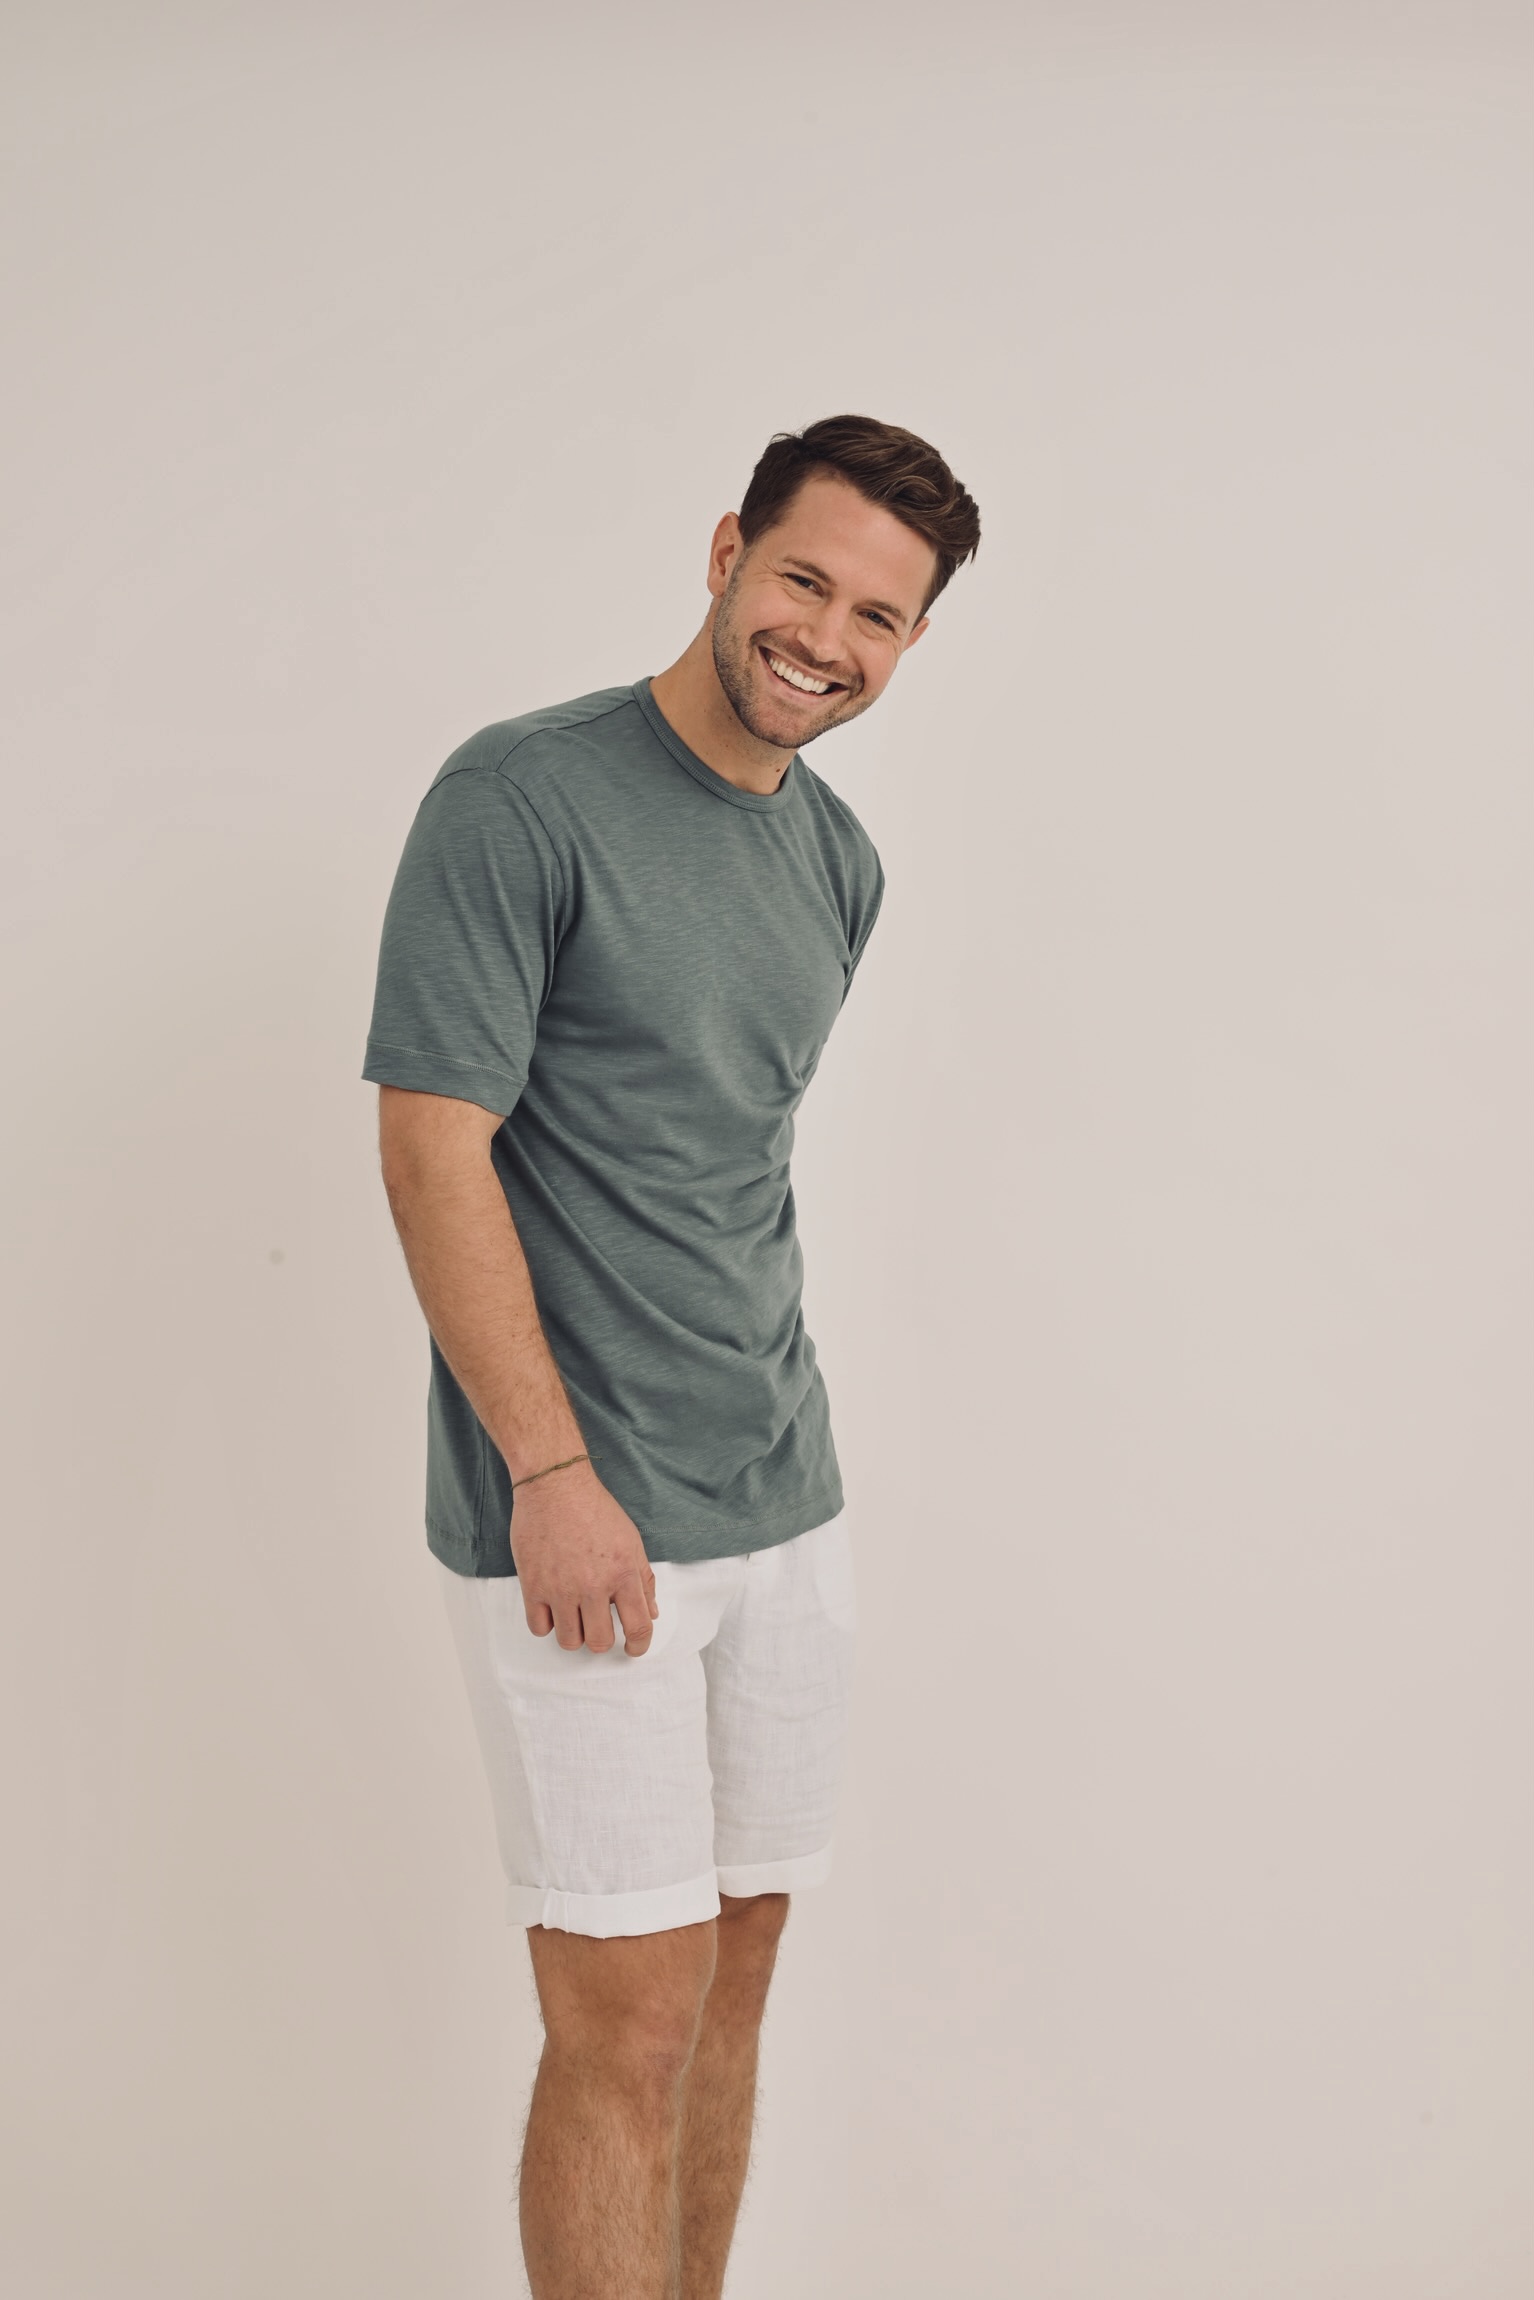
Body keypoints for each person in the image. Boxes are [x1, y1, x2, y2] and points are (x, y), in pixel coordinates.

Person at [363, 414, 980, 2300]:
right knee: (622, 2023)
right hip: (581, 1513)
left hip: (782, 1498)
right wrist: (550, 1476)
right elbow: (432, 1145)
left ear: (911, 643)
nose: (825, 639)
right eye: (803, 580)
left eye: (877, 616)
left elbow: (722, 1162)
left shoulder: (839, 864)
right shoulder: (521, 798)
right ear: (725, 552)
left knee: (731, 1990)